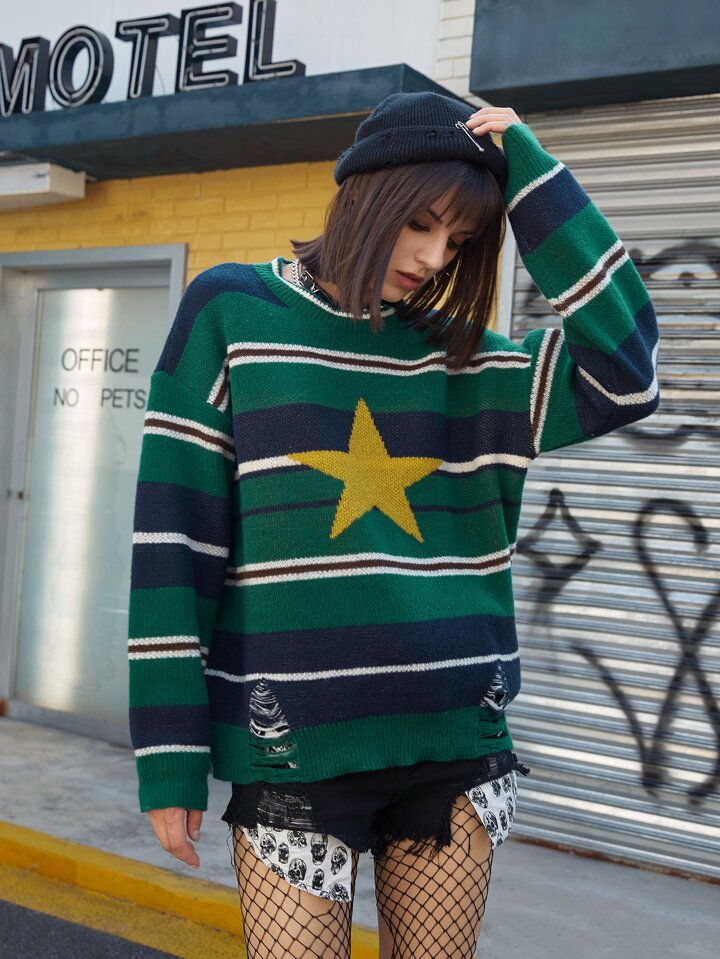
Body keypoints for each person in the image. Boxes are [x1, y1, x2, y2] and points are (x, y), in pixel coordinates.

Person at [128, 92, 659, 959]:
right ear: (364, 193)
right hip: (292, 749)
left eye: (459, 240)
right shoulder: (231, 310)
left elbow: (627, 372)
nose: (432, 257)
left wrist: (534, 179)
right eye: (418, 222)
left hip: (453, 743)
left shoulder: (467, 358)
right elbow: (171, 545)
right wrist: (169, 753)